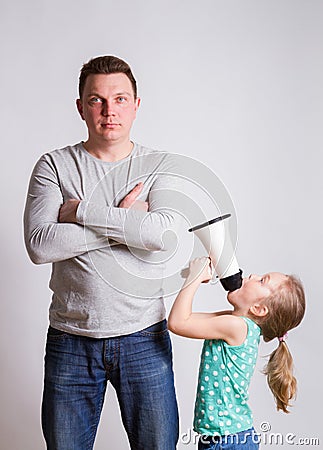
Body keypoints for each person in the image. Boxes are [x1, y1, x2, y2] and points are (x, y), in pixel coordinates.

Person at [23, 55, 180, 450]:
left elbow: (161, 236)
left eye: (120, 99)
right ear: (80, 107)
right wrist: (125, 224)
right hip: (70, 340)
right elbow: (41, 245)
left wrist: (80, 213)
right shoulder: (55, 166)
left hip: (144, 337)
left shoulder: (157, 165)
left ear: (137, 104)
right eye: (96, 100)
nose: (109, 111)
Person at [168, 257, 306, 449]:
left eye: (261, 280)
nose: (252, 276)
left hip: (227, 440)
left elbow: (177, 323)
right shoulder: (236, 324)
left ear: (258, 309)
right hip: (223, 437)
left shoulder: (236, 326)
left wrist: (194, 278)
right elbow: (186, 319)